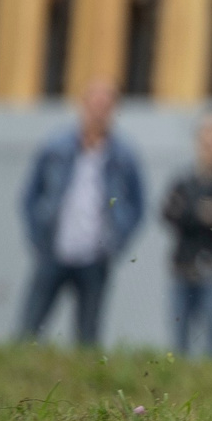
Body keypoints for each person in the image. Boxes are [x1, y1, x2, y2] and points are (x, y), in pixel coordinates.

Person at [18, 82, 144, 347]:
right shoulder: (56, 148)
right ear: (83, 107)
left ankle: (85, 386)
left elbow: (138, 206)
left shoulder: (124, 156)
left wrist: (117, 241)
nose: (98, 113)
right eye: (94, 106)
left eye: (105, 107)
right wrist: (37, 237)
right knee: (29, 329)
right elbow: (30, 196)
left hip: (95, 257)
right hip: (54, 250)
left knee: (87, 337)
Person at [160, 112, 212, 358]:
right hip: (183, 265)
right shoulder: (184, 180)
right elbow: (169, 213)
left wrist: (194, 213)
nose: (210, 147)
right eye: (206, 141)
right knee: (179, 335)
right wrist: (199, 214)